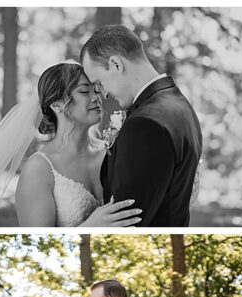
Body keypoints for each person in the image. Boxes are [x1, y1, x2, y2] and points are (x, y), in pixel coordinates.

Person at [0, 62, 142, 227]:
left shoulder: (111, 150)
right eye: (84, 91)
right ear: (57, 103)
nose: (97, 98)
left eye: (96, 90)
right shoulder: (39, 169)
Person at [81, 24, 202, 226]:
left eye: (99, 83)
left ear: (116, 65)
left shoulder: (145, 124)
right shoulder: (180, 105)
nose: (104, 94)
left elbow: (127, 223)